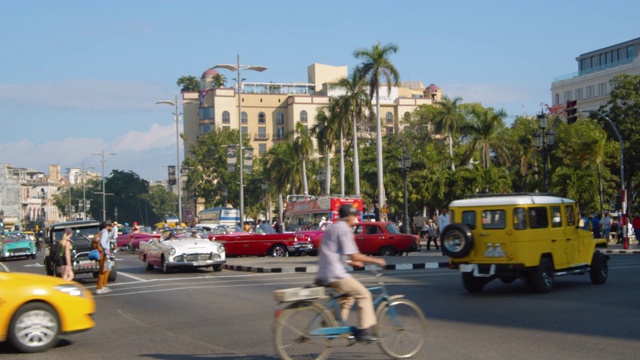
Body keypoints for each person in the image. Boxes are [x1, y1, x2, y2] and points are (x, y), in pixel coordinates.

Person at [315, 204, 386, 343]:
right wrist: (376, 260)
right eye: (355, 216)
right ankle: (363, 331)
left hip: (324, 272)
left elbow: (333, 252)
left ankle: (330, 321)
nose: (356, 219)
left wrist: (350, 263)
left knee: (348, 298)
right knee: (365, 295)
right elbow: (356, 255)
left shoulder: (332, 227)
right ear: (349, 217)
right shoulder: (344, 230)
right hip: (336, 274)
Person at [96, 221, 113, 294]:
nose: (111, 227)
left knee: (107, 269)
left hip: (104, 254)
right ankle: (99, 288)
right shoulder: (105, 233)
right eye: (110, 226)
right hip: (104, 254)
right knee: (103, 270)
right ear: (107, 226)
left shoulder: (102, 232)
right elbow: (103, 242)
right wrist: (106, 249)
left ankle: (104, 286)